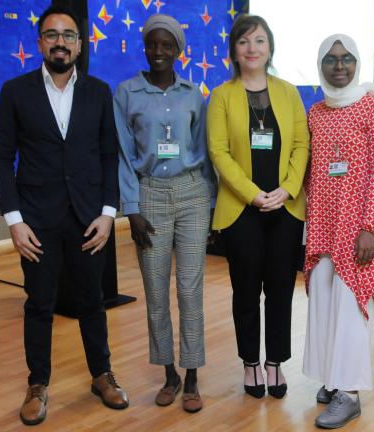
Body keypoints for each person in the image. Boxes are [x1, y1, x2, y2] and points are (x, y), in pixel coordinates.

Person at [0, 5, 128, 425]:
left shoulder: (99, 91)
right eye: (52, 35)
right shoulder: (15, 91)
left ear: (80, 44)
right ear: (39, 44)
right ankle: (38, 383)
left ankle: (101, 375)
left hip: (89, 219)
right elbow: (2, 159)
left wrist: (108, 214)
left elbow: (109, 156)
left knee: (92, 300)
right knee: (40, 303)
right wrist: (14, 220)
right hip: (37, 222)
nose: (60, 42)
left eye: (68, 35)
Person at [114, 14, 216, 413]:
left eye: (166, 45)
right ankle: (169, 373)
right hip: (149, 196)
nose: (159, 52)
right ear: (145, 46)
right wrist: (131, 208)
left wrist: (208, 205)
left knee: (190, 291)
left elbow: (204, 154)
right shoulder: (126, 93)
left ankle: (192, 375)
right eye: (152, 44)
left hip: (192, 195)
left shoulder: (194, 94)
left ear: (178, 50)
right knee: (156, 293)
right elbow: (122, 155)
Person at [207, 14, 309, 400]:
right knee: (246, 290)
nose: (252, 49)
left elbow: (302, 144)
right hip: (241, 210)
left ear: (270, 49)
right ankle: (251, 363)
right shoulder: (221, 96)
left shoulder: (288, 92)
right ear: (233, 50)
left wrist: (287, 189)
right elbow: (218, 151)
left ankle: (275, 363)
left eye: (260, 41)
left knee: (281, 289)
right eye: (245, 41)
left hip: (285, 208)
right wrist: (253, 194)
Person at [302, 34, 374, 429]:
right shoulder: (316, 112)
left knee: (350, 304)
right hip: (322, 222)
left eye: (347, 59)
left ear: (357, 63)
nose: (339, 66)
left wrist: (371, 228)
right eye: (331, 59)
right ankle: (332, 377)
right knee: (324, 300)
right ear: (321, 65)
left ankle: (350, 393)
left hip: (357, 226)